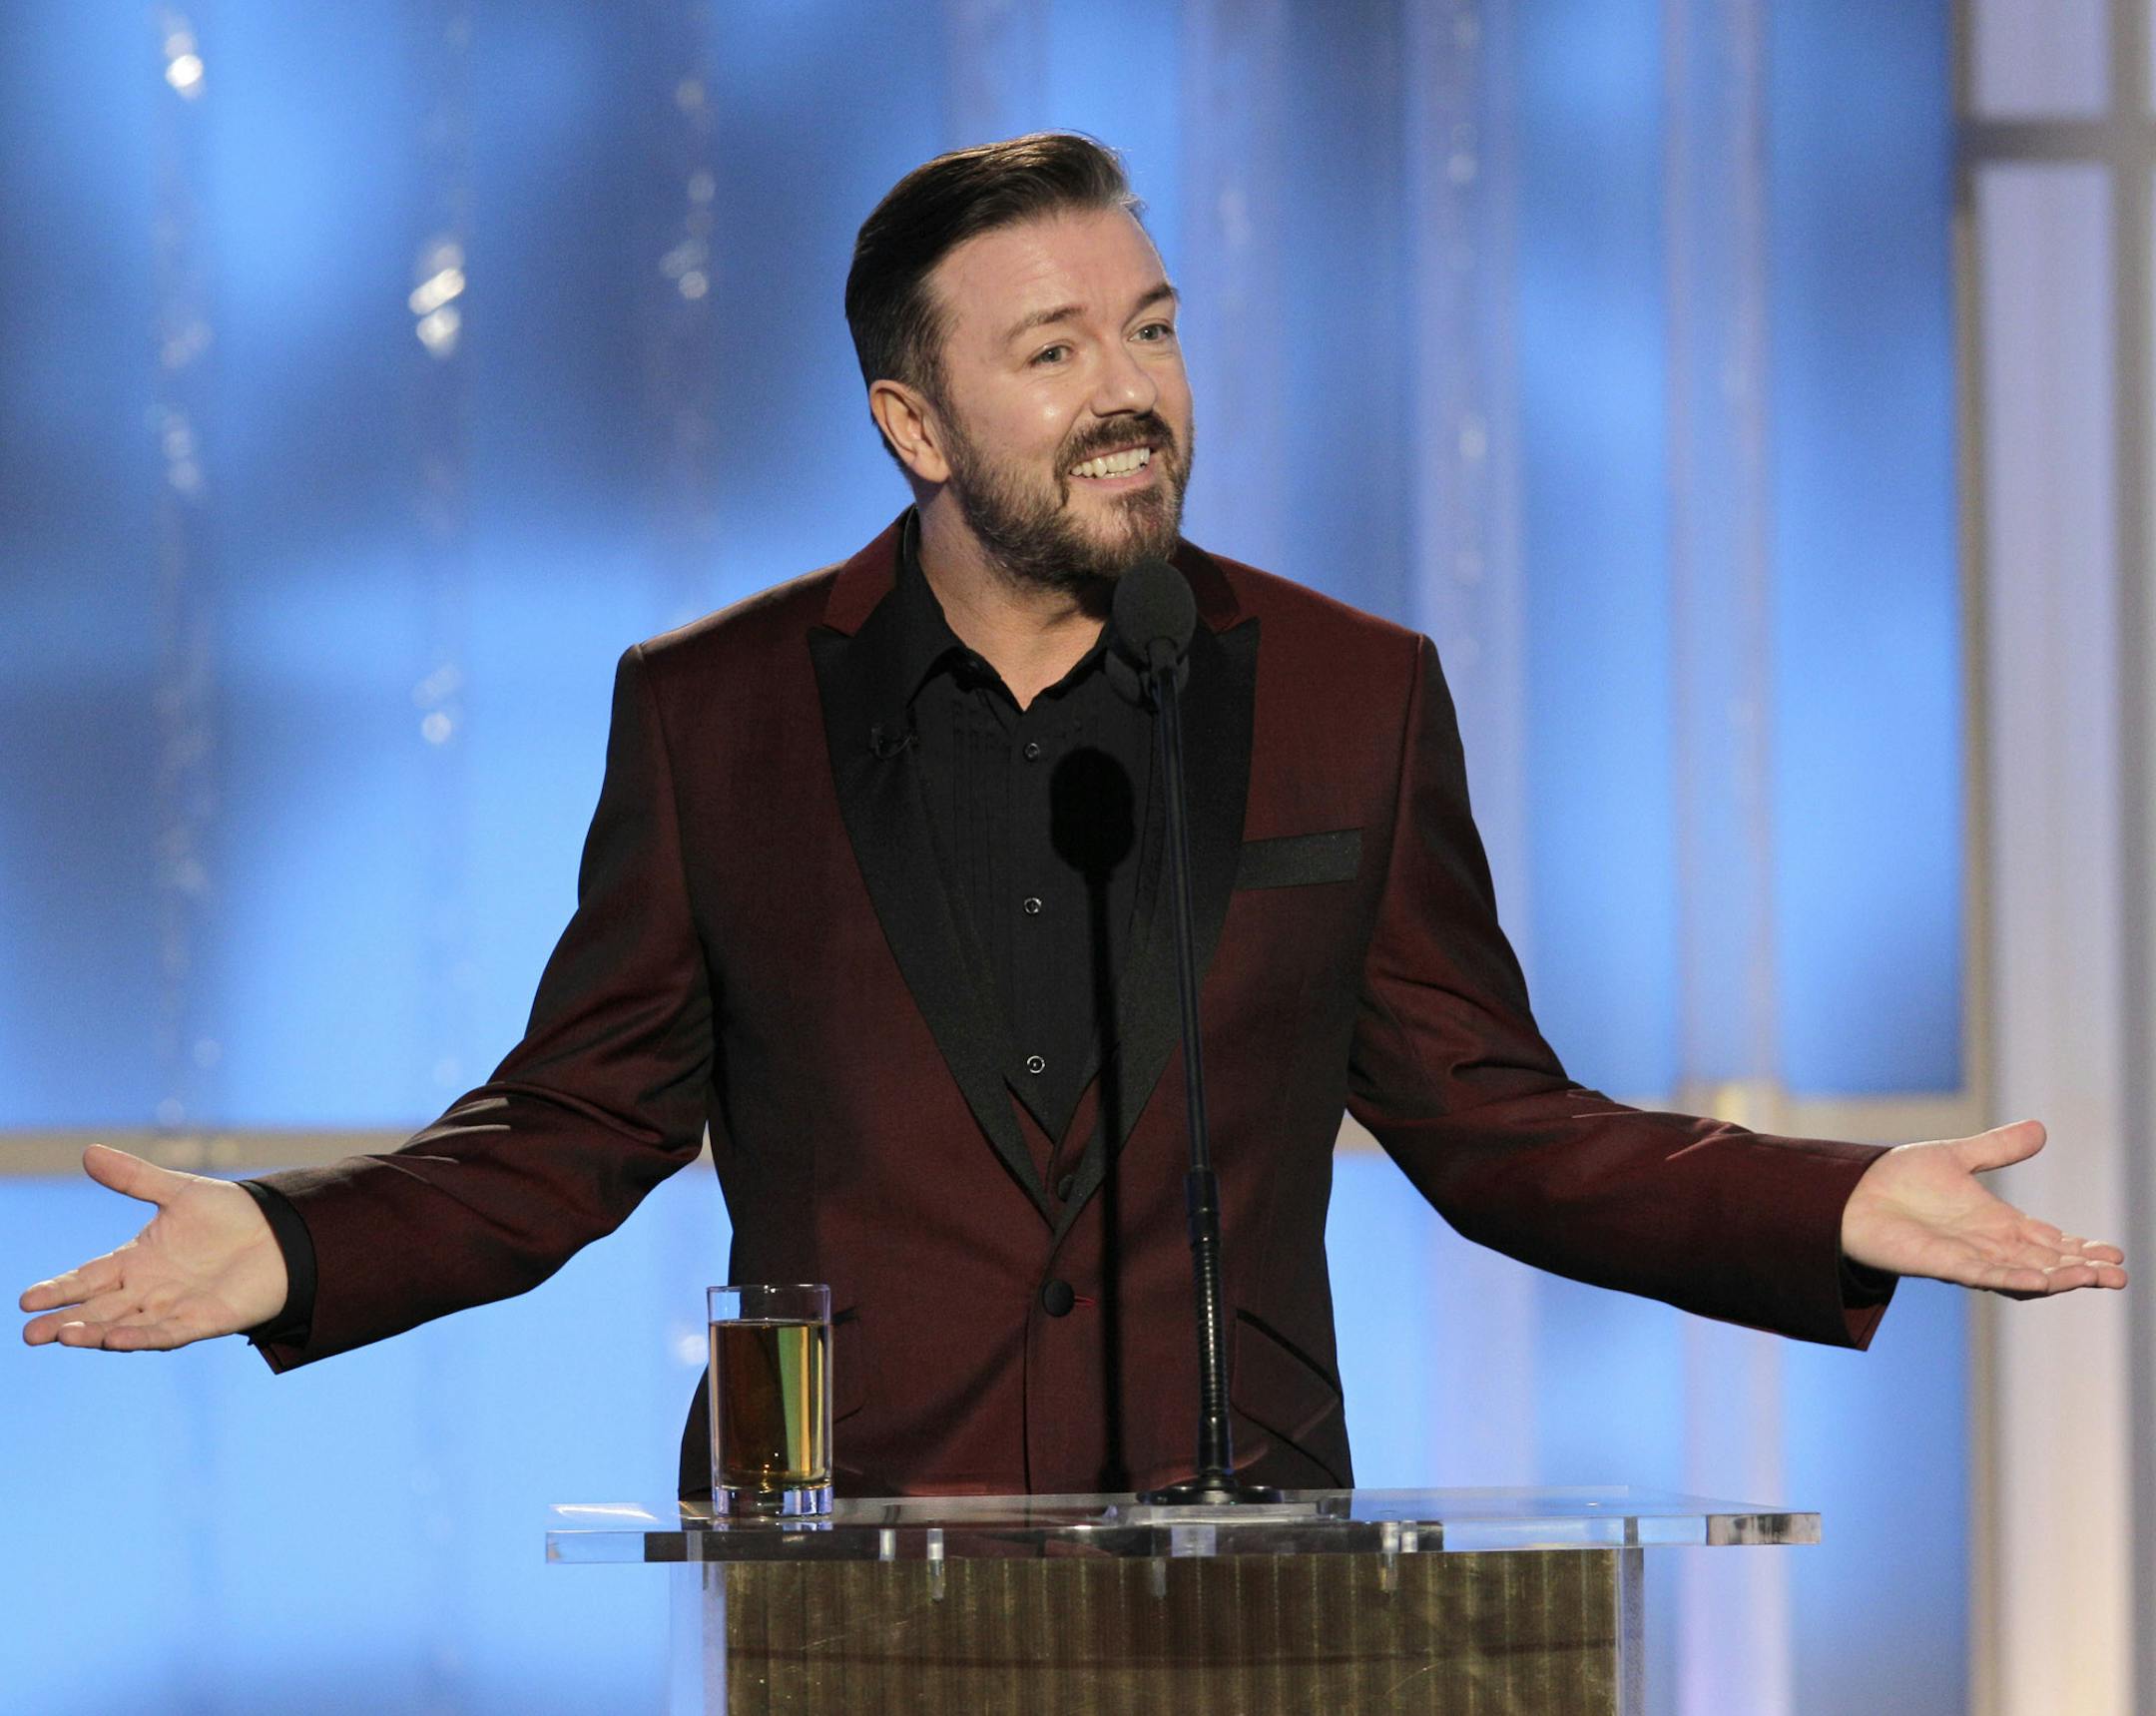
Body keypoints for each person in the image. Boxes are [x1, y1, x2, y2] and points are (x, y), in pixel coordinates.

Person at [19, 134, 2128, 1496]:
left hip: (1245, 1580)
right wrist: (295, 1241)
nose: (1131, 389)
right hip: (853, 1571)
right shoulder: (716, 715)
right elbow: (576, 1122)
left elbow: (1493, 1118)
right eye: (1054, 349)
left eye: (1152, 327)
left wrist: (1824, 1202)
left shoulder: (1345, 694)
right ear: (913, 422)